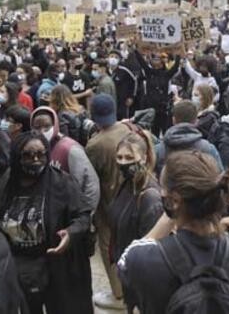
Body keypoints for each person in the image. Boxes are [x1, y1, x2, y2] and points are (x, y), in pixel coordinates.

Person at [117, 150, 229, 314]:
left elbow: (124, 264)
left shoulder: (142, 258)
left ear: (174, 200)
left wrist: (169, 215)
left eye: (162, 190)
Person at [0, 133, 92, 314]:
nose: (35, 160)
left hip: (55, 264)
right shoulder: (6, 183)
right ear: (17, 157)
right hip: (17, 265)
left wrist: (71, 233)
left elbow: (83, 216)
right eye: (28, 155)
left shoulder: (62, 182)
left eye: (41, 154)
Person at [85, 94, 132, 310]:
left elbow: (90, 179)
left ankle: (118, 294)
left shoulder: (95, 144)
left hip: (109, 204)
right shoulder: (130, 130)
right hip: (133, 198)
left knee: (109, 247)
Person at [108, 132, 163, 311]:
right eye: (120, 157)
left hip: (142, 277)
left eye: (129, 157)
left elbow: (151, 246)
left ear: (144, 158)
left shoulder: (149, 196)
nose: (123, 162)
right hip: (127, 270)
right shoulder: (126, 184)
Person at [29, 106, 100, 218]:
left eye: (47, 126)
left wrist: (86, 216)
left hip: (69, 215)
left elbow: (90, 184)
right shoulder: (32, 149)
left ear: (55, 125)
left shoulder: (69, 149)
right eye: (37, 127)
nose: (42, 132)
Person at [157, 100, 223, 175]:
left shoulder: (159, 150)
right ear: (196, 121)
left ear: (173, 120)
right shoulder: (208, 149)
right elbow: (220, 177)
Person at [135, 50, 180, 136]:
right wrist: (136, 50)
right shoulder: (149, 72)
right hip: (151, 108)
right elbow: (141, 62)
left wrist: (178, 53)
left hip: (163, 109)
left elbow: (176, 67)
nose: (156, 61)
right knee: (153, 132)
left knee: (165, 131)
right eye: (154, 59)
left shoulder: (166, 74)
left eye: (158, 59)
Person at [109, 49, 137, 120]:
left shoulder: (124, 71)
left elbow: (134, 81)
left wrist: (131, 97)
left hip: (122, 102)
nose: (113, 59)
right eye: (111, 56)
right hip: (109, 101)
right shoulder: (104, 70)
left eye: (116, 57)